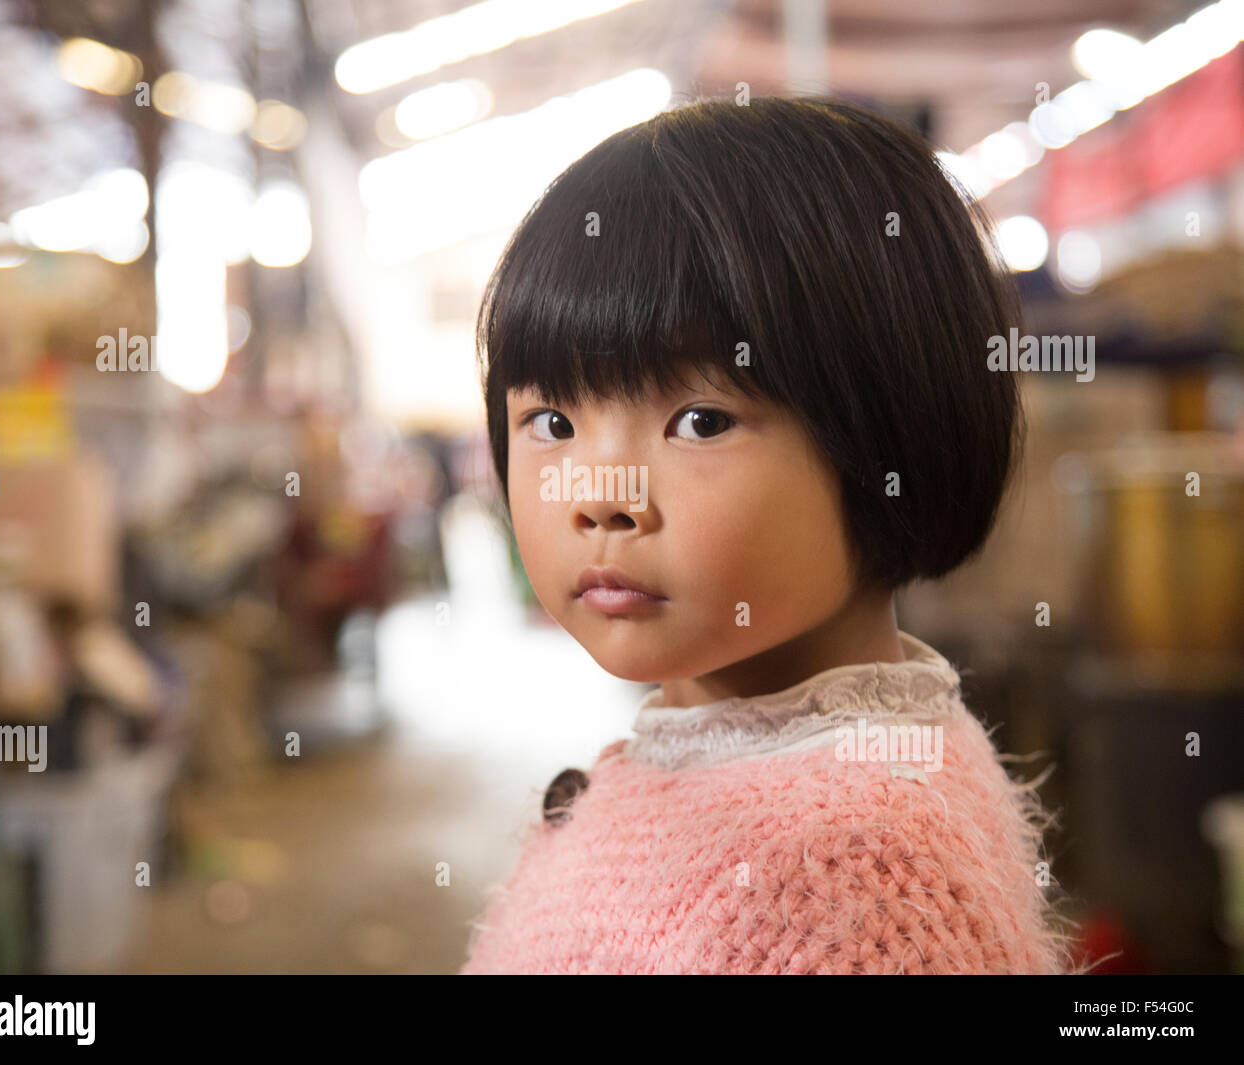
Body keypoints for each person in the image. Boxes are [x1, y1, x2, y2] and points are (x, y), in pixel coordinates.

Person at [460, 93, 1077, 974]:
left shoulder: (854, 885)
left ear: (892, 434)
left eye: (701, 421)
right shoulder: (728, 759)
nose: (600, 496)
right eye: (552, 423)